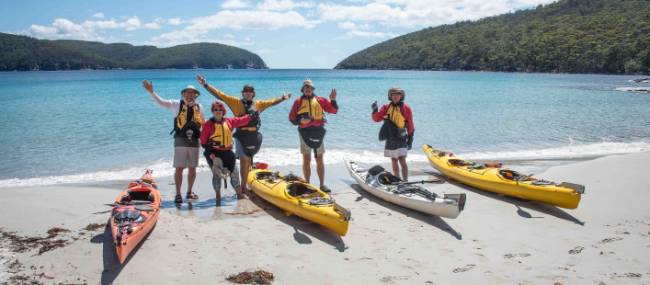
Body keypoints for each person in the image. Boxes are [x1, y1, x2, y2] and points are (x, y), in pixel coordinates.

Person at [196, 75, 290, 196]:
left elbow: (271, 102)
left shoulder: (259, 104)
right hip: (241, 135)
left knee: (249, 160)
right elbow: (219, 94)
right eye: (245, 91)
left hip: (254, 135)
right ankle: (243, 187)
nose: (248, 93)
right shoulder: (235, 102)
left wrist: (283, 98)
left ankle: (245, 183)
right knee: (244, 160)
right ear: (242, 93)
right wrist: (205, 85)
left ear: (253, 93)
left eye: (250, 92)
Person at [142, 80, 205, 203]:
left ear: (196, 95)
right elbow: (161, 103)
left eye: (193, 93)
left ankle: (189, 192)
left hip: (194, 141)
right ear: (183, 95)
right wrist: (152, 92)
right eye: (188, 93)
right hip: (181, 139)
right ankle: (177, 194)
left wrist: (207, 138)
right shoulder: (176, 104)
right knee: (179, 168)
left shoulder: (199, 107)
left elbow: (203, 122)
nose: (190, 95)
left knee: (193, 168)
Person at [200, 101, 257, 203]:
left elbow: (241, 120)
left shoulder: (229, 121)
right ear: (213, 111)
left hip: (228, 152)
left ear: (223, 111)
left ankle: (239, 194)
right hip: (214, 153)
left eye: (220, 109)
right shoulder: (208, 125)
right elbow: (204, 142)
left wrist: (251, 116)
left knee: (234, 172)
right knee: (217, 176)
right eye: (215, 110)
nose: (218, 112)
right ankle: (218, 195)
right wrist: (210, 154)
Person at [288, 79, 338, 193]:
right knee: (306, 158)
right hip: (304, 132)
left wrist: (333, 100)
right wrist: (301, 121)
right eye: (306, 88)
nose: (308, 89)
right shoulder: (298, 102)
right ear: (302, 90)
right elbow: (291, 118)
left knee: (319, 158)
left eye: (310, 87)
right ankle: (307, 184)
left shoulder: (321, 100)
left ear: (313, 89)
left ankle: (322, 185)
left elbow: (334, 111)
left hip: (318, 132)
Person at [371, 87, 414, 181]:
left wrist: (410, 140)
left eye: (397, 95)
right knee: (394, 159)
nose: (395, 96)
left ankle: (405, 180)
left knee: (402, 159)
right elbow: (377, 119)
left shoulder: (406, 108)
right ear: (390, 96)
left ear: (401, 96)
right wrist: (374, 110)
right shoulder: (386, 107)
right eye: (393, 95)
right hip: (390, 136)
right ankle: (398, 179)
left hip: (401, 136)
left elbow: (410, 124)